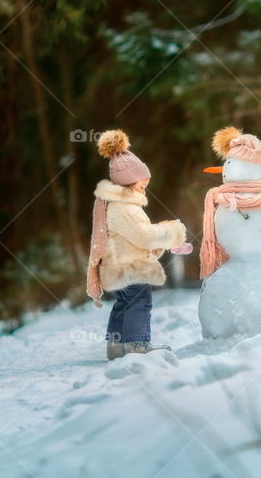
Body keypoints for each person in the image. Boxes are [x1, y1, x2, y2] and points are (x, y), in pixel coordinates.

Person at [85, 129, 189, 360]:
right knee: (139, 302)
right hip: (129, 267)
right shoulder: (124, 207)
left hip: (119, 266)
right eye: (143, 184)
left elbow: (134, 238)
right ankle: (137, 344)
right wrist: (172, 231)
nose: (146, 187)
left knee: (123, 304)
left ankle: (116, 346)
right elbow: (142, 236)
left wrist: (158, 241)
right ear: (129, 182)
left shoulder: (116, 205)